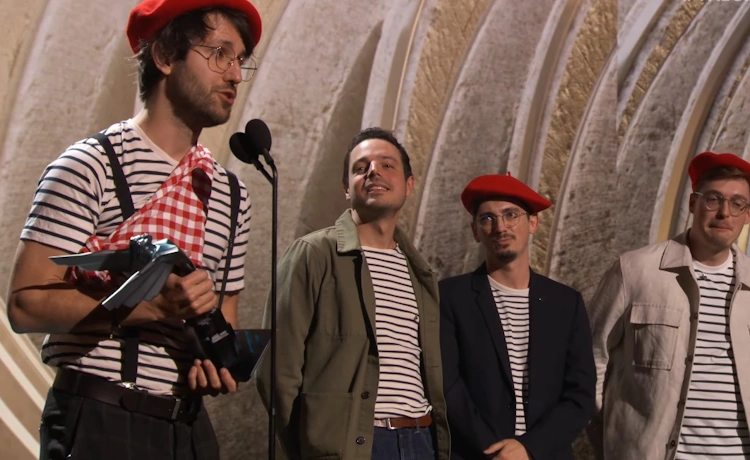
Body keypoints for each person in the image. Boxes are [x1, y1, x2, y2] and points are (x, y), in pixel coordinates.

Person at [5, 1, 261, 459]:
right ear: (164, 56)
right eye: (220, 53)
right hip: (100, 414)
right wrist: (151, 305)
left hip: (188, 428)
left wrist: (215, 364)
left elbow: (224, 318)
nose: (235, 75)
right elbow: (25, 304)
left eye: (240, 60)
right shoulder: (90, 165)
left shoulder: (230, 194)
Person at [255, 127, 450, 459]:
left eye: (387, 165)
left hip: (421, 440)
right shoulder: (313, 254)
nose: (373, 171)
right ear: (347, 188)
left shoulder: (421, 273)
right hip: (353, 444)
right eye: (361, 167)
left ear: (409, 185)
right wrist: (313, 447)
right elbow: (276, 371)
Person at [588, 151, 750, 459]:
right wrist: (611, 442)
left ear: (748, 214)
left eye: (737, 203)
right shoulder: (635, 270)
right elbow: (589, 360)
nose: (724, 213)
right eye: (713, 199)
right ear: (693, 204)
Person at [439, 173, 596, 460]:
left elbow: (581, 394)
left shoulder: (566, 303)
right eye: (487, 218)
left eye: (511, 215)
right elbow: (447, 385)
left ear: (533, 223)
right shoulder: (450, 297)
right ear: (475, 231)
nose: (500, 227)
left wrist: (530, 447)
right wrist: (495, 450)